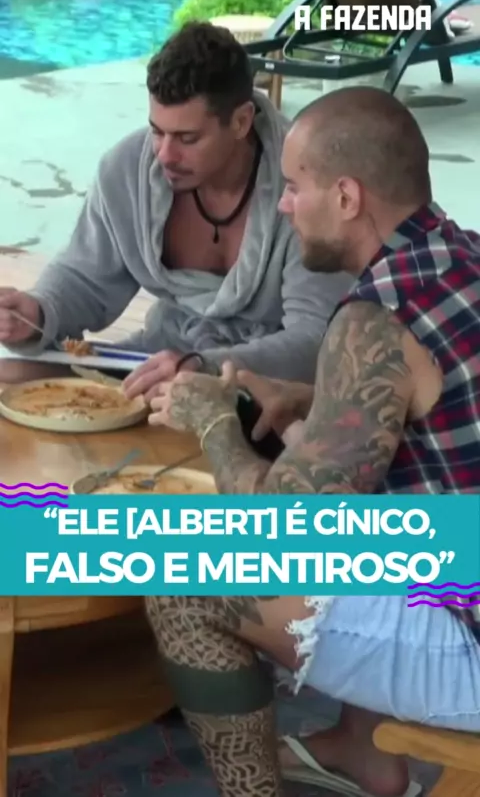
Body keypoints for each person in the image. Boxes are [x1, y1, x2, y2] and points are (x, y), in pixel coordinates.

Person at [143, 87, 480, 797]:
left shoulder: (377, 317)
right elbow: (433, 422)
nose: (284, 206)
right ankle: (363, 753)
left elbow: (285, 530)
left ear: (347, 197)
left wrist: (212, 420)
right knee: (367, 493)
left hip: (469, 639)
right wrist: (316, 403)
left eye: (296, 187)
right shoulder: (459, 254)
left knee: (184, 574)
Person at [0, 21, 351, 395]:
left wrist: (204, 368)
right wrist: (38, 311)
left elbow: (316, 339)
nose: (165, 155)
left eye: (188, 138)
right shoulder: (127, 171)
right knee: (13, 375)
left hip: (271, 379)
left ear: (241, 121)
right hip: (167, 353)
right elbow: (85, 277)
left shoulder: (303, 185)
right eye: (157, 131)